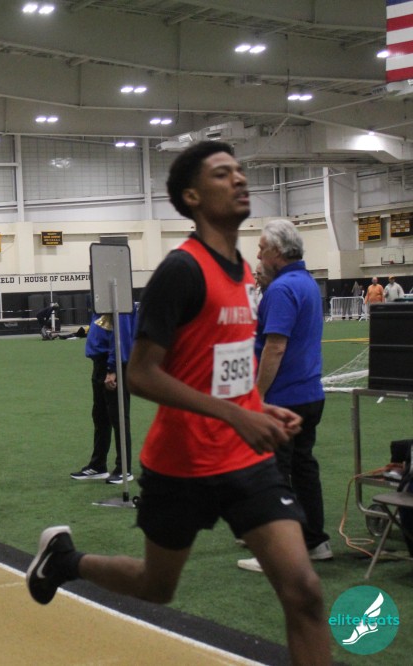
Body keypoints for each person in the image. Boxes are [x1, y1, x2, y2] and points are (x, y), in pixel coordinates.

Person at [25, 141, 330, 666]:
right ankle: (65, 560)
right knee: (156, 585)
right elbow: (141, 374)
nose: (238, 179)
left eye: (239, 170)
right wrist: (236, 414)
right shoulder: (182, 270)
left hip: (246, 460)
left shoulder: (243, 271)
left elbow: (225, 367)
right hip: (183, 464)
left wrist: (255, 407)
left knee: (304, 591)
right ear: (192, 197)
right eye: (222, 174)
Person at [235, 219, 332, 572]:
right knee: (304, 469)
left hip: (284, 397)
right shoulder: (307, 284)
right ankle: (315, 541)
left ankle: (278, 551)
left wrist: (257, 396)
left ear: (277, 251)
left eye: (262, 249)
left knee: (275, 473)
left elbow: (275, 347)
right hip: (310, 392)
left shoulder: (281, 289)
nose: (258, 255)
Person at [70, 311, 135, 484]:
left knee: (118, 417)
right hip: (100, 363)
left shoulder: (119, 303)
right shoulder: (101, 304)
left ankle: (124, 468)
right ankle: (98, 465)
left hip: (112, 364)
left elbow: (121, 335)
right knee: (100, 416)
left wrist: (113, 368)